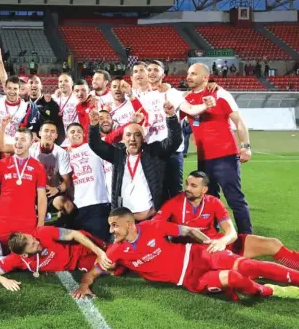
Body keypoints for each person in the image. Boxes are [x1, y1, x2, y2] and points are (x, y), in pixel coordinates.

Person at [71, 208, 299, 302]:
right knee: (236, 279)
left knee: (249, 266)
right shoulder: (116, 250)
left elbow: (188, 230)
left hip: (199, 255)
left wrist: (210, 243)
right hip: (189, 280)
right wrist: (84, 284)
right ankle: (268, 290)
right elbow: (94, 271)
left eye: (114, 225)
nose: (111, 231)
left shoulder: (153, 226)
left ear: (129, 224)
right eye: (110, 226)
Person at [155, 171, 299, 269]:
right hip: (193, 252)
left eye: (193, 186)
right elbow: (155, 224)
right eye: (187, 184)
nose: (187, 188)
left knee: (273, 243)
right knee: (245, 267)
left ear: (204, 190)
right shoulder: (174, 202)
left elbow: (231, 232)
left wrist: (222, 241)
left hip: (217, 244)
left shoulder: (214, 202)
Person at [183, 63, 253, 235]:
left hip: (225, 156)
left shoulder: (220, 94)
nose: (188, 77)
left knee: (234, 198)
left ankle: (246, 237)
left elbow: (239, 121)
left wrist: (245, 146)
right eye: (188, 73)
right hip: (204, 158)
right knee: (209, 199)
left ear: (206, 77)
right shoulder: (187, 99)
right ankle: (212, 235)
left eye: (193, 74)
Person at [88, 96, 183, 221]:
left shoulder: (154, 152)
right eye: (128, 135)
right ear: (123, 138)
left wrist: (171, 117)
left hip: (151, 219)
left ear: (143, 138)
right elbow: (95, 144)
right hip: (125, 222)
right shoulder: (117, 154)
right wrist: (94, 125)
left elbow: (174, 141)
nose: (132, 139)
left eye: (137, 135)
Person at [133, 61, 211, 200]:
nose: (151, 72)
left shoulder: (171, 93)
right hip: (151, 150)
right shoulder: (142, 96)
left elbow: (191, 109)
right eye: (149, 69)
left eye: (156, 70)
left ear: (163, 74)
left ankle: (176, 221)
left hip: (172, 151)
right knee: (154, 191)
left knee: (175, 191)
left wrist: (205, 106)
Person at [0, 227, 110, 291]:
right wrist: (2, 280)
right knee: (111, 268)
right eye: (33, 244)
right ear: (24, 255)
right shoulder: (16, 259)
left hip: (81, 248)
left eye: (33, 238)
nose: (37, 241)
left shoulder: (42, 233)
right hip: (78, 263)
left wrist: (99, 251)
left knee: (111, 256)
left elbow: (75, 234)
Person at [0, 126, 47, 249]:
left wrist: (41, 221)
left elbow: (42, 197)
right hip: (3, 220)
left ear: (31, 143)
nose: (18, 143)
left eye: (23, 139)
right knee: (0, 255)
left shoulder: (38, 167)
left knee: (26, 256)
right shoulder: (2, 163)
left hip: (27, 221)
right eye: (16, 139)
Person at [65, 123, 111, 241]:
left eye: (79, 131)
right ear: (67, 136)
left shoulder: (93, 147)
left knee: (102, 243)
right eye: (72, 132)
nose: (76, 134)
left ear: (84, 134)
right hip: (77, 207)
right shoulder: (64, 154)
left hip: (98, 203)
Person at [0, 75, 41, 157]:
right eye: (9, 88)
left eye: (15, 89)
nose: (12, 92)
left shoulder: (26, 107)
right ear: (5, 89)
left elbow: (31, 131)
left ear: (19, 90)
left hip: (14, 149)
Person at [26, 75, 63, 143]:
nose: (33, 85)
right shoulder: (23, 104)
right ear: (27, 86)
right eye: (31, 82)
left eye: (36, 82)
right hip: (26, 143)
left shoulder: (51, 104)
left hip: (45, 144)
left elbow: (57, 126)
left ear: (41, 86)